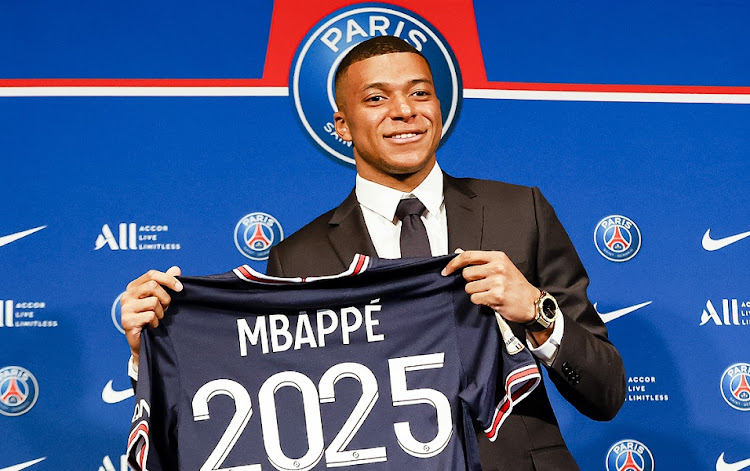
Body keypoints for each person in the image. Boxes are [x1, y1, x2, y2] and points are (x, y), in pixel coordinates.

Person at [121, 36, 625, 471]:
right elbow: (274, 424)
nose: (405, 111)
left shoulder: (521, 213)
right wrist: (155, 354)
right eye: (377, 97)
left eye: (420, 93)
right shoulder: (298, 259)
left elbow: (605, 393)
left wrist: (536, 312)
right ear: (342, 125)